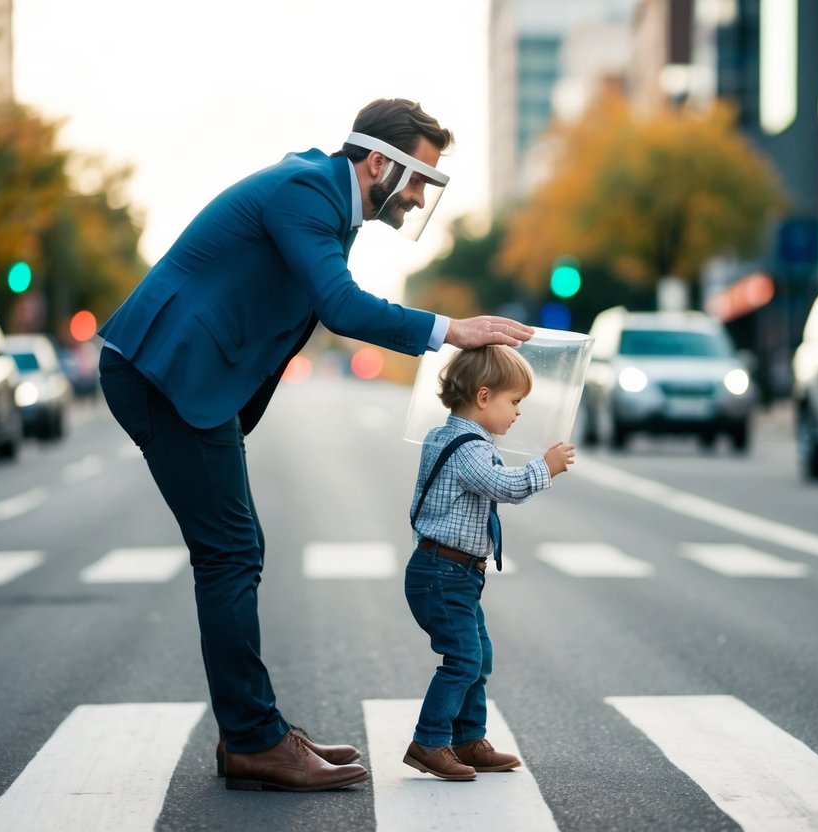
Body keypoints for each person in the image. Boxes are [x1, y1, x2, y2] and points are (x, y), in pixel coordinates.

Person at [96, 98, 535, 793]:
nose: (420, 195)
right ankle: (252, 740)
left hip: (187, 375)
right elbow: (341, 307)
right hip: (164, 371)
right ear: (377, 162)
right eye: (418, 177)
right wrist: (455, 330)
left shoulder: (328, 198)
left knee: (235, 551)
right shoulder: (307, 191)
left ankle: (255, 732)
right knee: (230, 554)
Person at [402, 345, 575, 780]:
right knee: (462, 658)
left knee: (479, 656)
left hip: (453, 572)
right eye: (513, 402)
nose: (517, 413)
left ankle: (467, 740)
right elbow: (503, 486)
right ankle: (429, 741)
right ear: (483, 397)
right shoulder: (467, 448)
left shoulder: (449, 436)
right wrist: (545, 468)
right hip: (441, 573)